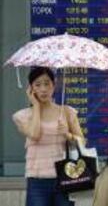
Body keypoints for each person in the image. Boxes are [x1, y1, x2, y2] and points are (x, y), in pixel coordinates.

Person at [12, 67, 84, 206]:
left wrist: (67, 134)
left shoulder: (67, 112)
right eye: (38, 85)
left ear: (53, 85)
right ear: (31, 89)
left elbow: (82, 141)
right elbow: (34, 134)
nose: (43, 89)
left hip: (65, 177)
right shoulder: (23, 116)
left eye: (47, 83)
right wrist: (36, 107)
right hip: (37, 181)